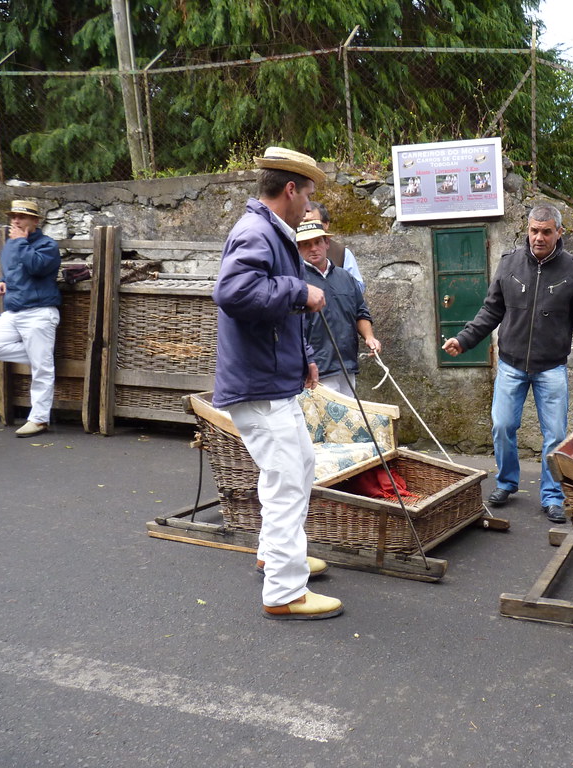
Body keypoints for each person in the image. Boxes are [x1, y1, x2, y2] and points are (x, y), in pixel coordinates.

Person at [212, 146, 343, 620]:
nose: (309, 205)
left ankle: (276, 555)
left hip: (272, 378)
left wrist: (304, 357)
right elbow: (233, 292)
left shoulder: (271, 233)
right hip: (258, 385)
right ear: (289, 189)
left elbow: (275, 316)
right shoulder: (257, 232)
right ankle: (285, 592)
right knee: (288, 480)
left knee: (295, 468)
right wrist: (299, 290)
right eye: (307, 195)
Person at [442, 203, 573, 523]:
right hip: (511, 364)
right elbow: (490, 312)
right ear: (527, 230)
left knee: (555, 435)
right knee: (502, 426)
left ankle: (553, 495)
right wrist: (464, 339)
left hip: (551, 367)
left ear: (559, 233)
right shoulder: (509, 264)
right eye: (534, 230)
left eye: (546, 232)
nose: (539, 237)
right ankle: (507, 482)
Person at [0, 200, 62, 438]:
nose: (15, 221)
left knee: (41, 369)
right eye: (13, 216)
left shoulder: (48, 245)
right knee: (41, 363)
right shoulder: (12, 245)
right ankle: (41, 356)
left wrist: (21, 241)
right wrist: (1, 282)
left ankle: (39, 419)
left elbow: (36, 267)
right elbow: (11, 271)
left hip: (40, 312)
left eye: (21, 217)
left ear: (35, 221)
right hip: (13, 312)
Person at [296, 219, 381, 397]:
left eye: (318, 242)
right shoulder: (295, 282)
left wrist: (370, 337)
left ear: (327, 243)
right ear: (298, 248)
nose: (313, 248)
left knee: (348, 420)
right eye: (306, 244)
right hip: (316, 371)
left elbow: (360, 312)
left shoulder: (345, 277)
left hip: (347, 365)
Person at [301, 202, 365, 291]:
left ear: (326, 224)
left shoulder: (341, 253)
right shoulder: (290, 251)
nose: (309, 227)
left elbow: (358, 288)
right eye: (304, 222)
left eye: (313, 222)